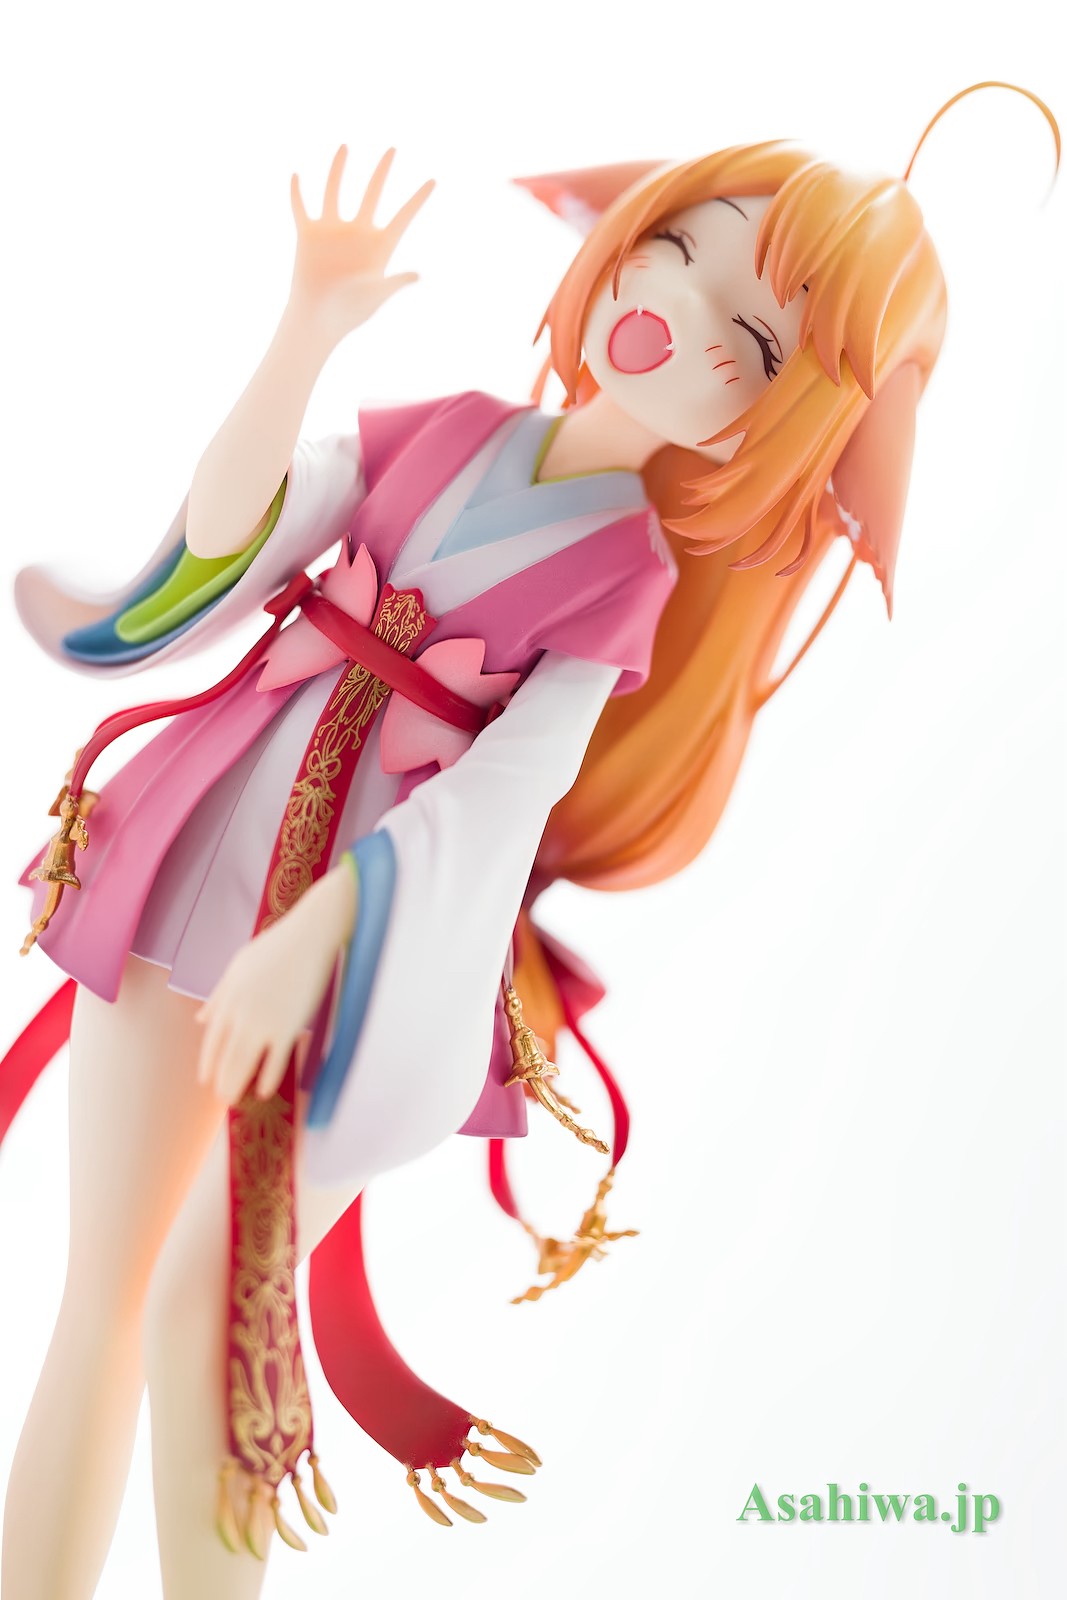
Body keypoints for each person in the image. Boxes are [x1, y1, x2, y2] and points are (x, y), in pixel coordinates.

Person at [1, 89, 1054, 1598]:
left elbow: (498, 801)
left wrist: (319, 937)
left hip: (350, 945)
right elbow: (227, 537)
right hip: (195, 843)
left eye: (753, 340)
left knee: (214, 1311)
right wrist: (303, 326)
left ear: (775, 424)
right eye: (678, 244)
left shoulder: (625, 580)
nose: (674, 308)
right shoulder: (438, 431)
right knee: (98, 1296)